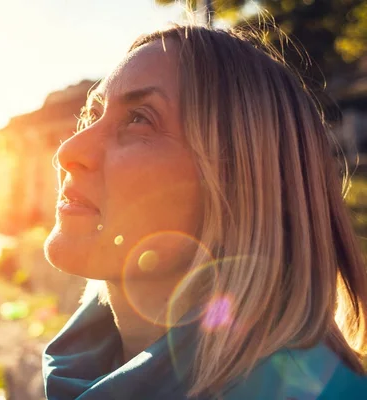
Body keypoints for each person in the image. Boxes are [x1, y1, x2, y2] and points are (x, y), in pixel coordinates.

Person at [41, 23, 367, 399]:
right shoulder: (77, 365)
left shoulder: (313, 392)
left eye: (139, 119)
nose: (68, 153)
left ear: (240, 188)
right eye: (90, 114)